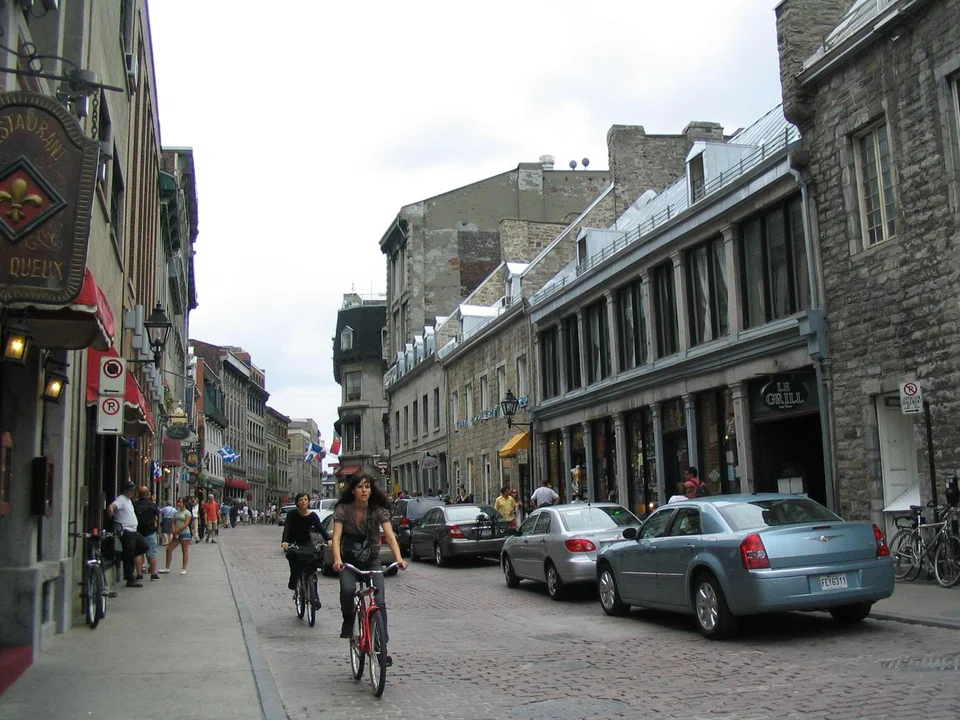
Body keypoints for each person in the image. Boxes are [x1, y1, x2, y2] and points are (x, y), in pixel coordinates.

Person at [331, 474, 407, 663]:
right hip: (349, 560)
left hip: (371, 559)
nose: (364, 490)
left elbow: (390, 536)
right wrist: (337, 560)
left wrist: (399, 559)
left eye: (367, 486)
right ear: (353, 490)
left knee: (379, 601)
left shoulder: (378, 510)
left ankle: (381, 646)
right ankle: (348, 619)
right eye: (359, 487)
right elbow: (336, 538)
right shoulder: (343, 510)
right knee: (348, 590)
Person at [280, 492, 331, 591]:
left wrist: (328, 539)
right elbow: (287, 528)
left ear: (308, 502)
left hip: (306, 541)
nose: (303, 502)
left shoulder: (312, 515)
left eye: (305, 500)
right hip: (293, 541)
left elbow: (321, 529)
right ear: (297, 502)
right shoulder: (292, 514)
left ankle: (313, 594)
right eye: (301, 500)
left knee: (312, 559)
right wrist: (285, 541)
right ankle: (294, 579)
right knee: (294, 558)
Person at [107, 481, 149, 588]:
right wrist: (111, 509)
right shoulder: (121, 499)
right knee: (129, 554)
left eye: (134, 490)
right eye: (131, 490)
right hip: (126, 531)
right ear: (126, 490)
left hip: (133, 531)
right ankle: (130, 579)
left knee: (144, 546)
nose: (132, 492)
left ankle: (122, 556)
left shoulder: (129, 501)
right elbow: (113, 505)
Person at [133, 485, 161, 581]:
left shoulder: (134, 504)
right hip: (150, 531)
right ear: (148, 494)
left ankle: (139, 574)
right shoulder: (152, 505)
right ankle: (153, 573)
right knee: (152, 553)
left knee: (138, 553)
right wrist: (155, 528)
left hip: (138, 532)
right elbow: (156, 518)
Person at [159, 497, 192, 575]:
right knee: (169, 549)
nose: (178, 503)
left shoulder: (187, 513)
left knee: (184, 551)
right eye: (178, 502)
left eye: (180, 502)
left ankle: (184, 568)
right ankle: (167, 567)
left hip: (185, 533)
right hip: (176, 534)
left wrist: (176, 532)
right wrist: (173, 531)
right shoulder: (176, 513)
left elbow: (186, 524)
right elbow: (173, 522)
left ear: (184, 503)